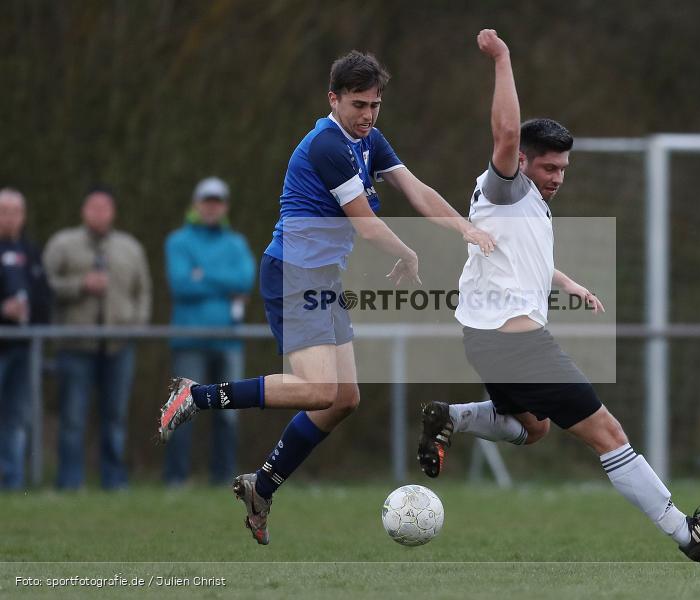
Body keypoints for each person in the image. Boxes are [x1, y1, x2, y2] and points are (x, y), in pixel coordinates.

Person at [415, 30, 700, 563]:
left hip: (486, 338)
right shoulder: (507, 184)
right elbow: (506, 131)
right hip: (518, 342)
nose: (557, 178)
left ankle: (451, 417)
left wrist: (565, 283)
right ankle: (688, 533)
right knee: (608, 433)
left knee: (532, 427)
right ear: (524, 161)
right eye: (549, 168)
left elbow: (517, 260)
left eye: (563, 169)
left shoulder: (526, 204)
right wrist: (502, 59)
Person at [159, 50, 495, 544]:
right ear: (333, 99)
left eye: (376, 105)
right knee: (317, 390)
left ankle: (263, 485)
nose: (368, 115)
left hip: (321, 278)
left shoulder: (369, 140)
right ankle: (195, 396)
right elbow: (365, 221)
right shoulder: (327, 145)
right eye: (358, 104)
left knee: (343, 399)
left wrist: (465, 228)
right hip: (294, 272)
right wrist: (408, 251)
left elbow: (416, 189)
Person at [43, 187, 152, 490]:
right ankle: (69, 481)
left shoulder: (130, 247)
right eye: (93, 207)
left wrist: (137, 325)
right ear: (83, 211)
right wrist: (80, 285)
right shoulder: (62, 244)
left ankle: (114, 481)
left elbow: (143, 290)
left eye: (105, 208)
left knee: (116, 418)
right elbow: (44, 285)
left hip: (119, 347)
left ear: (113, 212)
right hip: (75, 346)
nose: (99, 213)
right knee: (73, 419)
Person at [163, 177, 256, 487]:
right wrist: (224, 284)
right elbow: (181, 285)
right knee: (182, 410)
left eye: (217, 202)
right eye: (207, 201)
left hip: (228, 342)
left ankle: (222, 480)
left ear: (225, 207)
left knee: (228, 412)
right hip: (189, 341)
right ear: (196, 205)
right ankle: (176, 479)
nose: (212, 207)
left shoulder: (236, 243)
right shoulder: (178, 241)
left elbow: (244, 281)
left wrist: (203, 274)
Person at [0, 188, 52, 490]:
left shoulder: (31, 252)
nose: (9, 217)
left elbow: (44, 296)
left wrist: (32, 315)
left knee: (17, 418)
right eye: (3, 210)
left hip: (24, 349)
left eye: (14, 211)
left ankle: (12, 482)